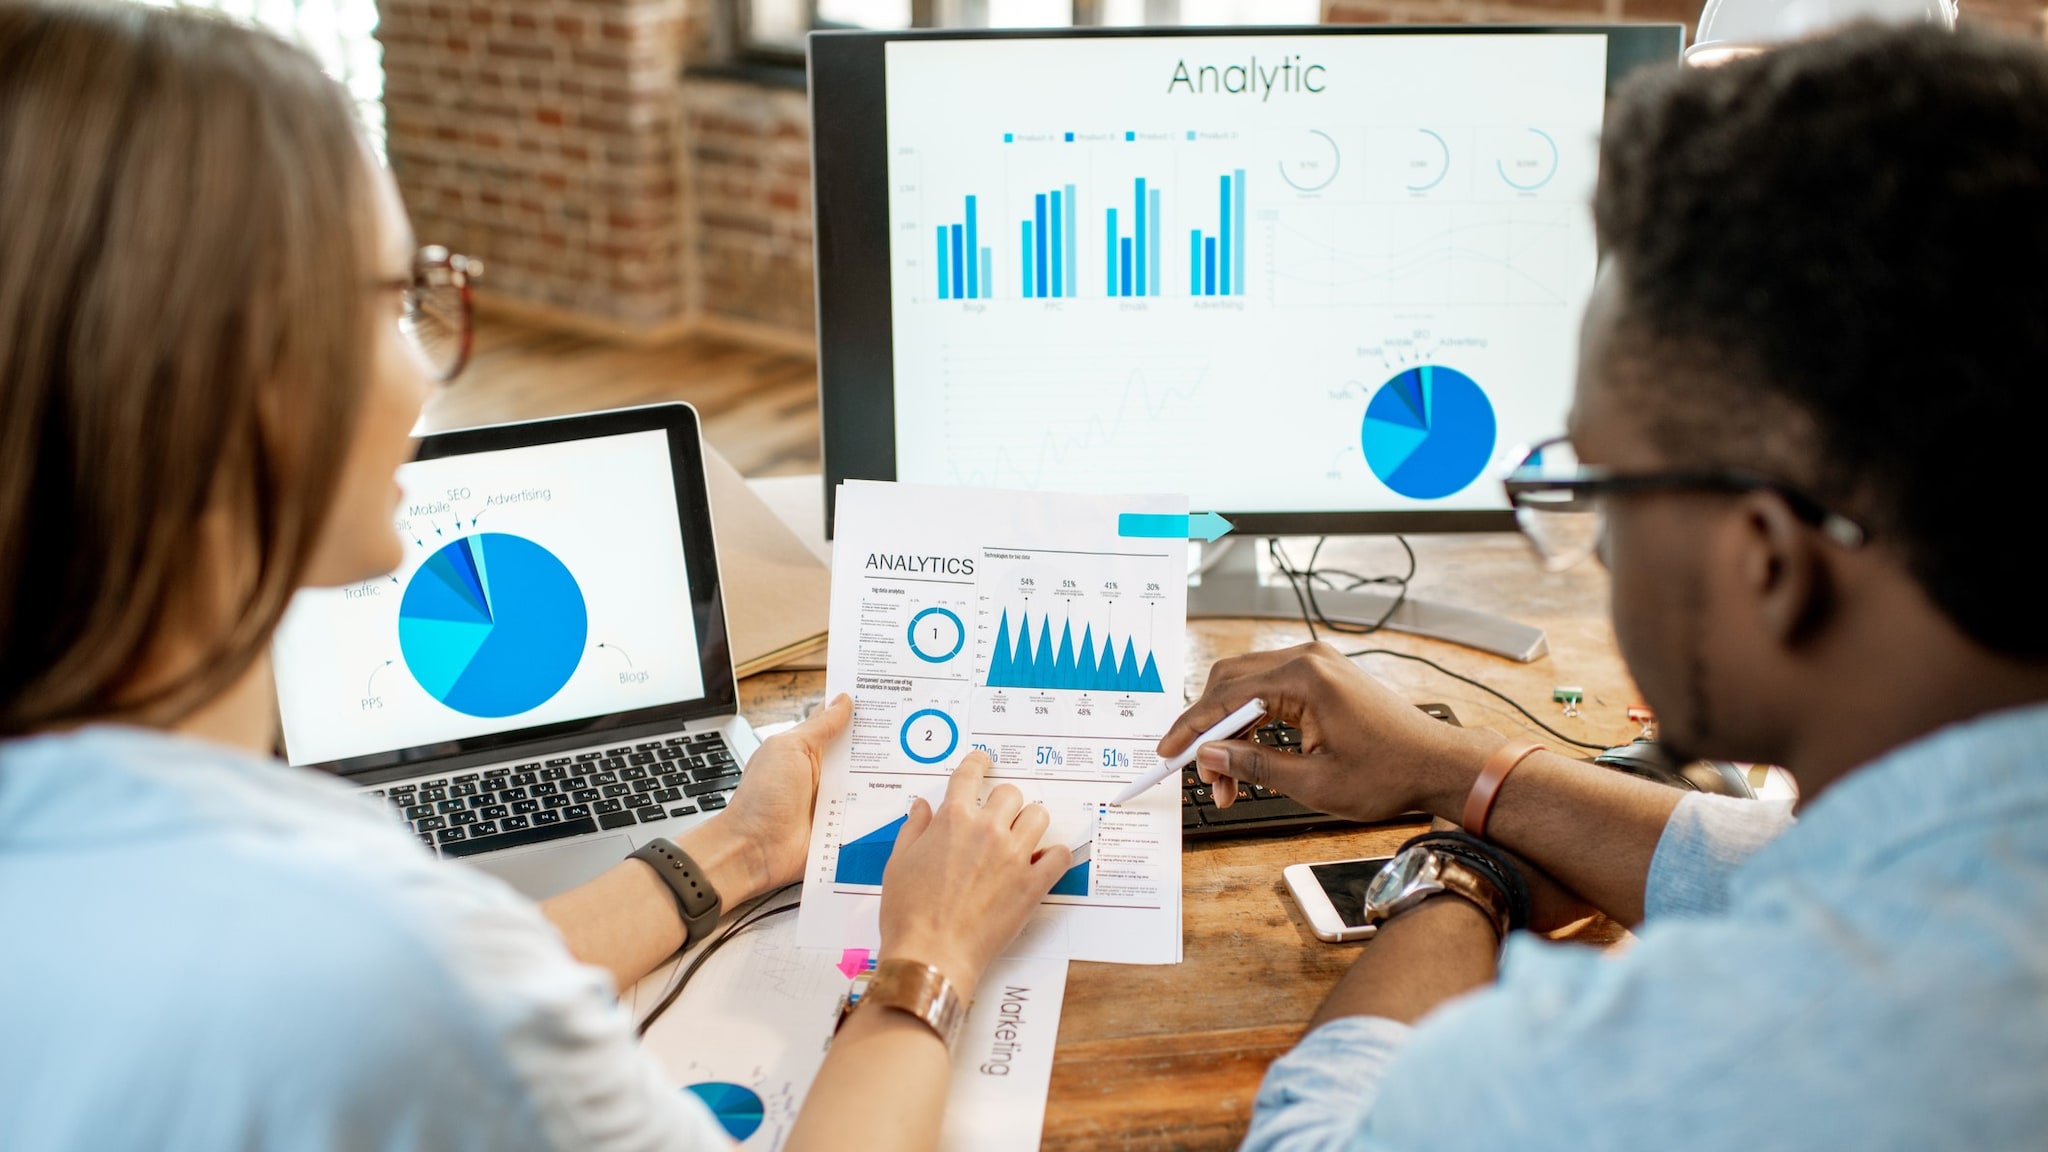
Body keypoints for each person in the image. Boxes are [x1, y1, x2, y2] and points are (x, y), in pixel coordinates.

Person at [0, 4, 1069, 1149]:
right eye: (398, 301)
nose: (420, 372)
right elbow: (434, 993)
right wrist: (928, 956)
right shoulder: (377, 963)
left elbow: (469, 981)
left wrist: (743, 848)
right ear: (252, 380)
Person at [1159, 23, 2048, 1150]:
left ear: (1763, 560)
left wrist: (1453, 880)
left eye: (1601, 484)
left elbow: (1317, 1137)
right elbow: (1772, 860)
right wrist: (1446, 767)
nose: (1599, 547)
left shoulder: (1703, 1059)